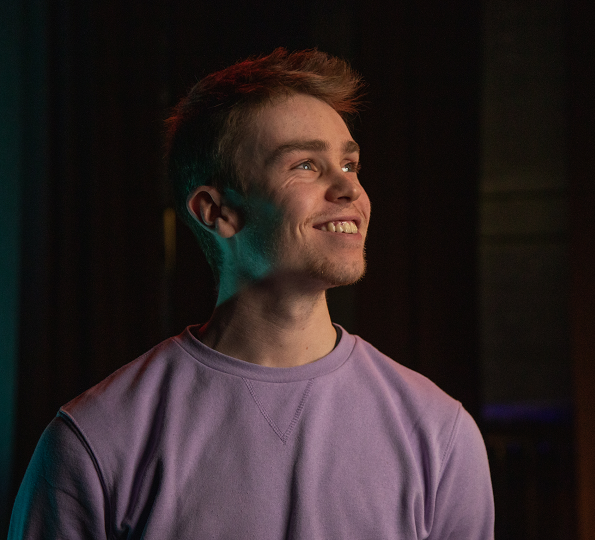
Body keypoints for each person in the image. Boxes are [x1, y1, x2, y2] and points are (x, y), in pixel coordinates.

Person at [8, 48, 494, 539]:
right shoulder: (96, 437)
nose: (348, 190)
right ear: (215, 211)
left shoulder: (439, 432)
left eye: (349, 165)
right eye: (305, 165)